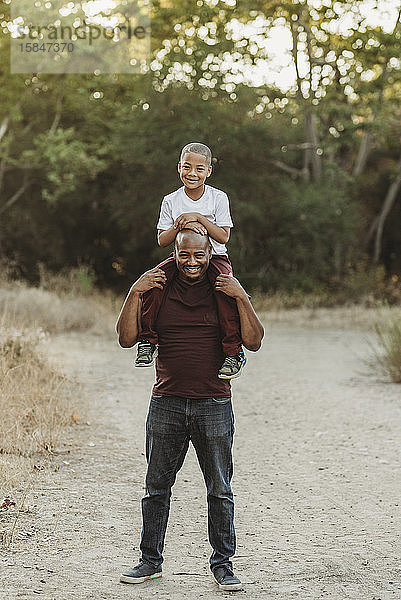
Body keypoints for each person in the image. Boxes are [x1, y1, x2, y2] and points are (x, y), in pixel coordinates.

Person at [116, 229, 264, 592]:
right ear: (176, 252)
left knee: (219, 489)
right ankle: (149, 561)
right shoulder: (158, 287)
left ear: (210, 252)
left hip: (214, 403)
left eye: (200, 256)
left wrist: (242, 296)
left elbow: (255, 341)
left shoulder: (224, 288)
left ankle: (223, 564)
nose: (192, 263)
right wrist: (134, 290)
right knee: (156, 488)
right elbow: (125, 338)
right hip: (166, 402)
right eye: (185, 256)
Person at [135, 141, 246, 380]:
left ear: (208, 171)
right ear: (179, 168)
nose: (192, 173)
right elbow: (163, 241)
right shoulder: (170, 200)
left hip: (215, 256)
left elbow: (223, 236)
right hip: (180, 256)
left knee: (226, 290)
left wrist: (197, 218)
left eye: (199, 168)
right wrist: (180, 224)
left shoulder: (218, 198)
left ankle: (233, 352)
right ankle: (147, 341)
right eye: (187, 167)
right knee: (155, 281)